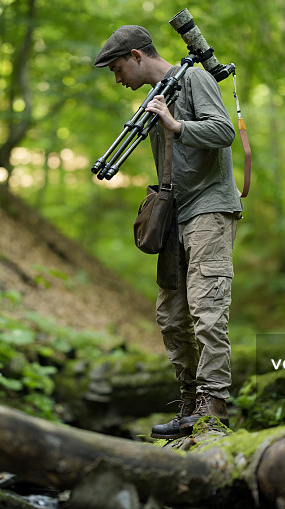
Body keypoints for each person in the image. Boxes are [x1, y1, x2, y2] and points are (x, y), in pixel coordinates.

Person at [95, 25, 242, 439]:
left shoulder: (193, 78)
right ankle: (190, 402)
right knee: (170, 315)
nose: (117, 77)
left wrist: (176, 126)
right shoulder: (155, 95)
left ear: (138, 56)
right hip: (176, 216)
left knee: (206, 307)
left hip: (210, 210)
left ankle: (213, 407)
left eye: (117, 67)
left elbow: (224, 132)